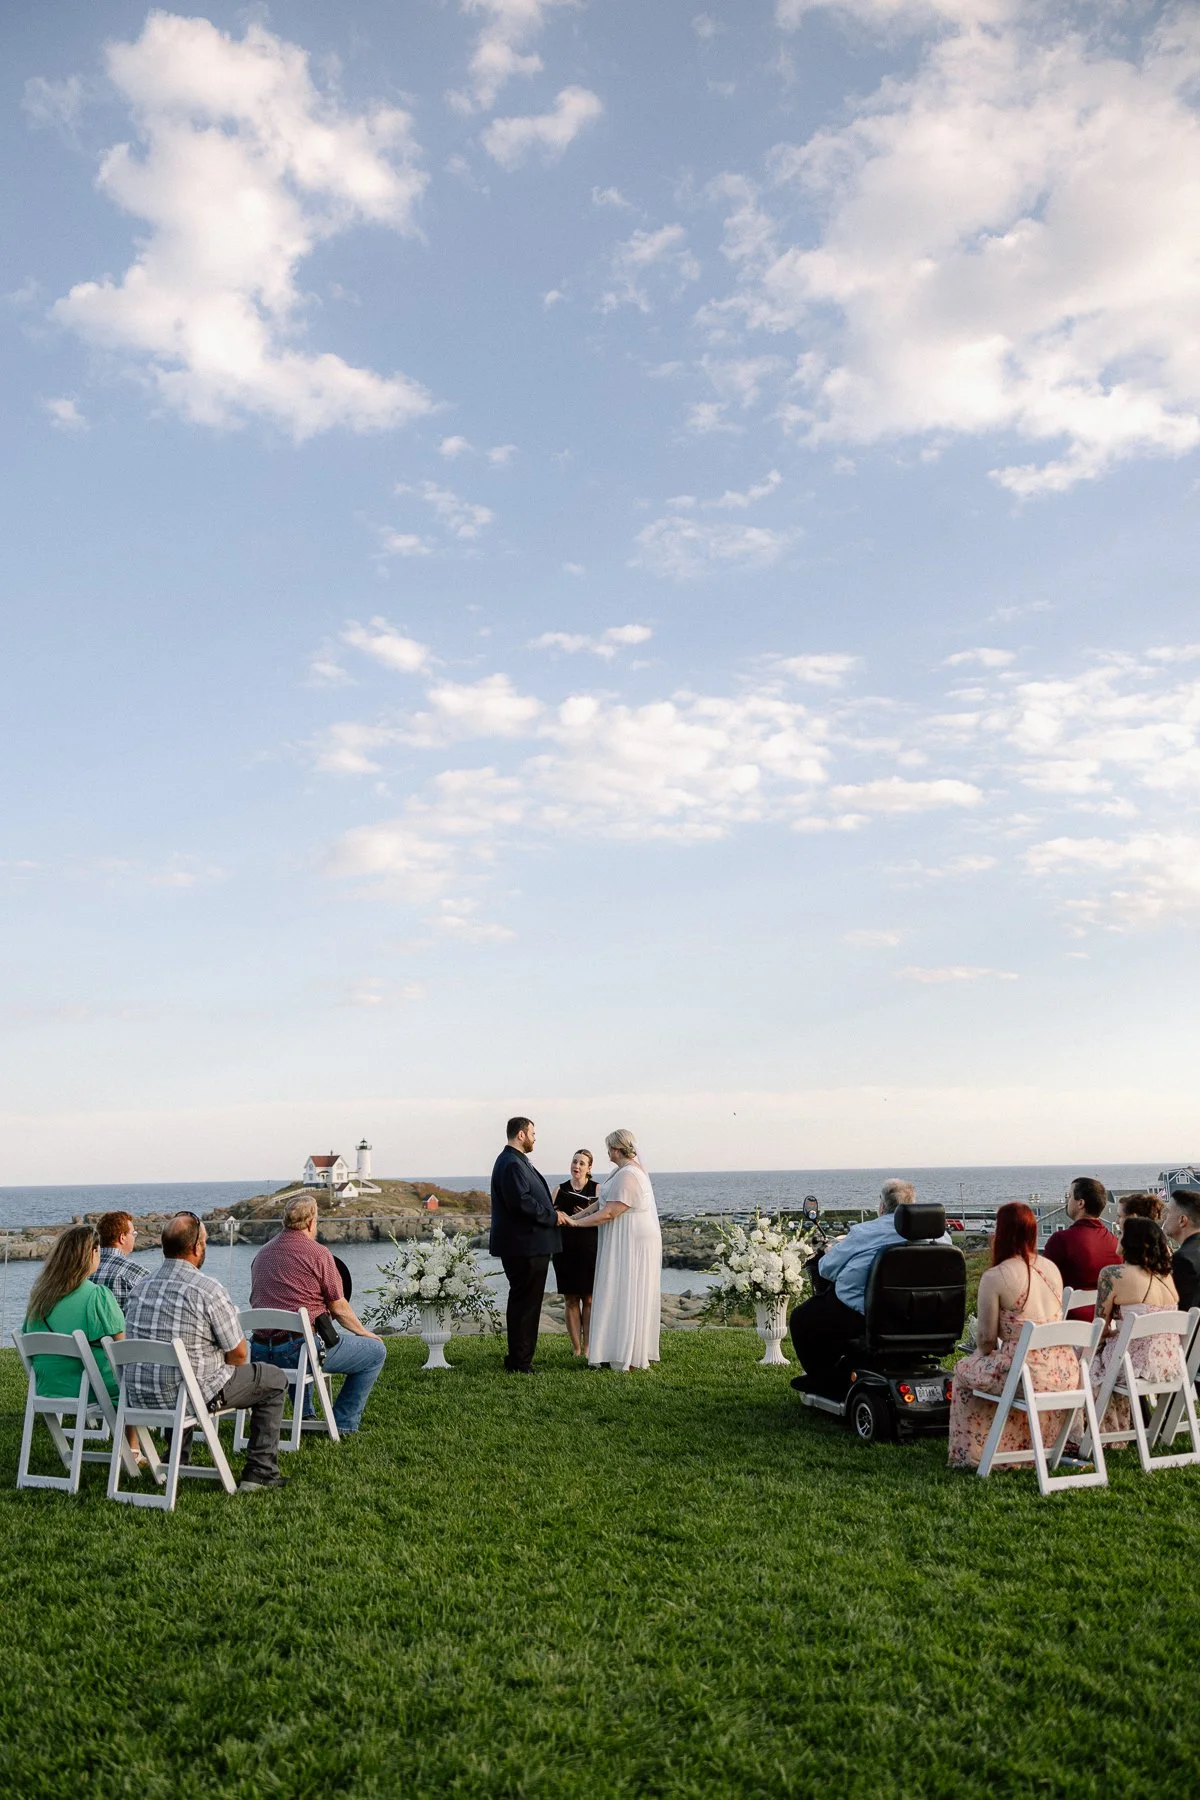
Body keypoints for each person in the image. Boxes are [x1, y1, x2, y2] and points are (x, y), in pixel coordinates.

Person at [124, 1212, 289, 1493]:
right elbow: (238, 1355)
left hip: (141, 1396)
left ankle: (176, 1459)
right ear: (196, 1247)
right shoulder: (207, 1289)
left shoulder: (140, 1288)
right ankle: (259, 1474)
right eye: (205, 1242)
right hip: (189, 1395)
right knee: (272, 1379)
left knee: (186, 1371)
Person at [948, 1202, 1078, 1471]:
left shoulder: (996, 1276)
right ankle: (1025, 1448)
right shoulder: (1051, 1268)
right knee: (995, 1372)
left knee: (963, 1370)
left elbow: (985, 1341)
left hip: (1025, 1373)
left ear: (1002, 1232)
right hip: (1064, 1370)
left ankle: (969, 1455)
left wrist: (990, 1347)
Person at [249, 1194, 386, 1434]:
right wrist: (365, 1333)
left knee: (299, 1338)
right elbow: (338, 1306)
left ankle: (307, 1415)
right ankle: (342, 1423)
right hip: (298, 1353)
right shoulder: (318, 1253)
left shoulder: (262, 1254)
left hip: (259, 1352)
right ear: (312, 1222)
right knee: (375, 1353)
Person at [789, 1180, 940, 1386]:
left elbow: (826, 1269)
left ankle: (824, 1379)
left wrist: (831, 1254)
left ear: (881, 1205)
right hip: (923, 1317)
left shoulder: (865, 1233)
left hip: (867, 1316)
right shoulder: (941, 1238)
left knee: (802, 1318)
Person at [22, 1222, 143, 1457]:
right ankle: (134, 1452)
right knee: (132, 1382)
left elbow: (29, 1335)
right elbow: (123, 1348)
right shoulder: (96, 1296)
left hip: (48, 1388)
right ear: (93, 1253)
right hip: (88, 1389)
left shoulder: (38, 1299)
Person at [1082, 1218, 1186, 1444]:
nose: (1117, 1239)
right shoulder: (1166, 1276)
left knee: (1080, 1360)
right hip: (1168, 1366)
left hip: (1130, 1365)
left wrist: (1110, 1334)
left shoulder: (1112, 1274)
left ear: (1131, 1243)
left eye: (1120, 1234)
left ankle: (1083, 1434)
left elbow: (1098, 1329)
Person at [566, 1129, 661, 1373]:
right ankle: (613, 1349)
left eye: (609, 1147)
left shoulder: (629, 1173)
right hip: (622, 1237)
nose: (607, 1151)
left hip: (630, 1238)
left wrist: (576, 1225)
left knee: (627, 1291)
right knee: (616, 1290)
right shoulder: (619, 1171)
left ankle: (628, 1355)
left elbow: (610, 1213)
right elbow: (601, 1203)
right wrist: (574, 1216)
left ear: (617, 1149)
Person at [489, 1117, 569, 1373]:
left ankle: (517, 1358)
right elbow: (521, 1202)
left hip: (526, 1245)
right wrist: (552, 1216)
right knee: (527, 1305)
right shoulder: (512, 1163)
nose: (535, 1138)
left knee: (523, 1302)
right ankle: (520, 1362)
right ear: (521, 1134)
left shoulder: (514, 1161)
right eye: (533, 1133)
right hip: (525, 1246)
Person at [1042, 1177, 1119, 1320]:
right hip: (1103, 1325)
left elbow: (1042, 1284)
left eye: (1069, 1196)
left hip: (1068, 1326)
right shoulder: (1114, 1243)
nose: (1067, 1201)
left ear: (1080, 1203)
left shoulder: (1061, 1240)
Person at [551, 1150, 599, 1357]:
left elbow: (604, 1215)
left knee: (588, 1298)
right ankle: (576, 1348)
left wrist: (585, 1213)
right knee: (570, 1299)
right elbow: (550, 1217)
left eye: (582, 1163)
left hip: (589, 1247)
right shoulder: (559, 1190)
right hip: (565, 1248)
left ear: (589, 1168)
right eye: (574, 1161)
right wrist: (559, 1215)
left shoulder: (597, 1189)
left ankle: (588, 1347)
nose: (576, 1166)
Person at [93, 1210, 151, 1308]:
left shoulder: (82, 1270)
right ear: (122, 1238)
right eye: (133, 1234)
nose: (134, 1238)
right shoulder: (137, 1273)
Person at [1165, 1185, 1200, 1313]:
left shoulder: (1183, 1258)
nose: (1165, 1217)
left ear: (1182, 1220)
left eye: (1168, 1212)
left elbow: (1181, 1310)